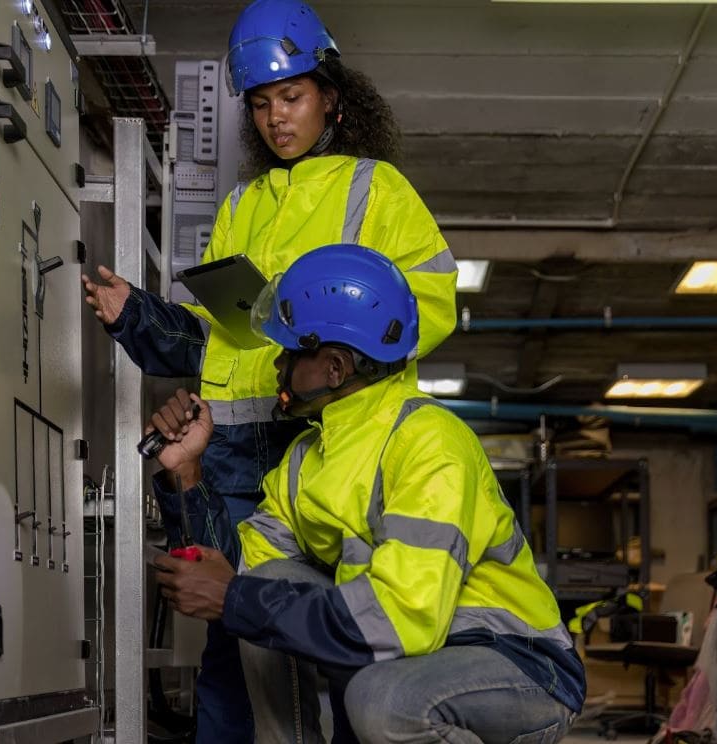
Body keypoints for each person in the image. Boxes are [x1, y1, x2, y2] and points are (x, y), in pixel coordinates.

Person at [82, 1, 458, 739]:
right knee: (235, 645)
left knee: (347, 644)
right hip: (230, 455)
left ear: (332, 98)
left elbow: (429, 304)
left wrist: (327, 332)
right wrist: (135, 314)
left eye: (290, 97)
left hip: (324, 443)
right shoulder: (242, 205)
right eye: (260, 104)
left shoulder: (374, 190)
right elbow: (215, 340)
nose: (274, 118)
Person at [149, 245, 585, 744]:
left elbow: (402, 620)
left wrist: (234, 595)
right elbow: (237, 575)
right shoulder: (307, 457)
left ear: (335, 368)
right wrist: (186, 473)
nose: (277, 365)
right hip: (415, 660)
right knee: (267, 586)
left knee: (382, 704)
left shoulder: (429, 442)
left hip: (518, 663)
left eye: (291, 351)